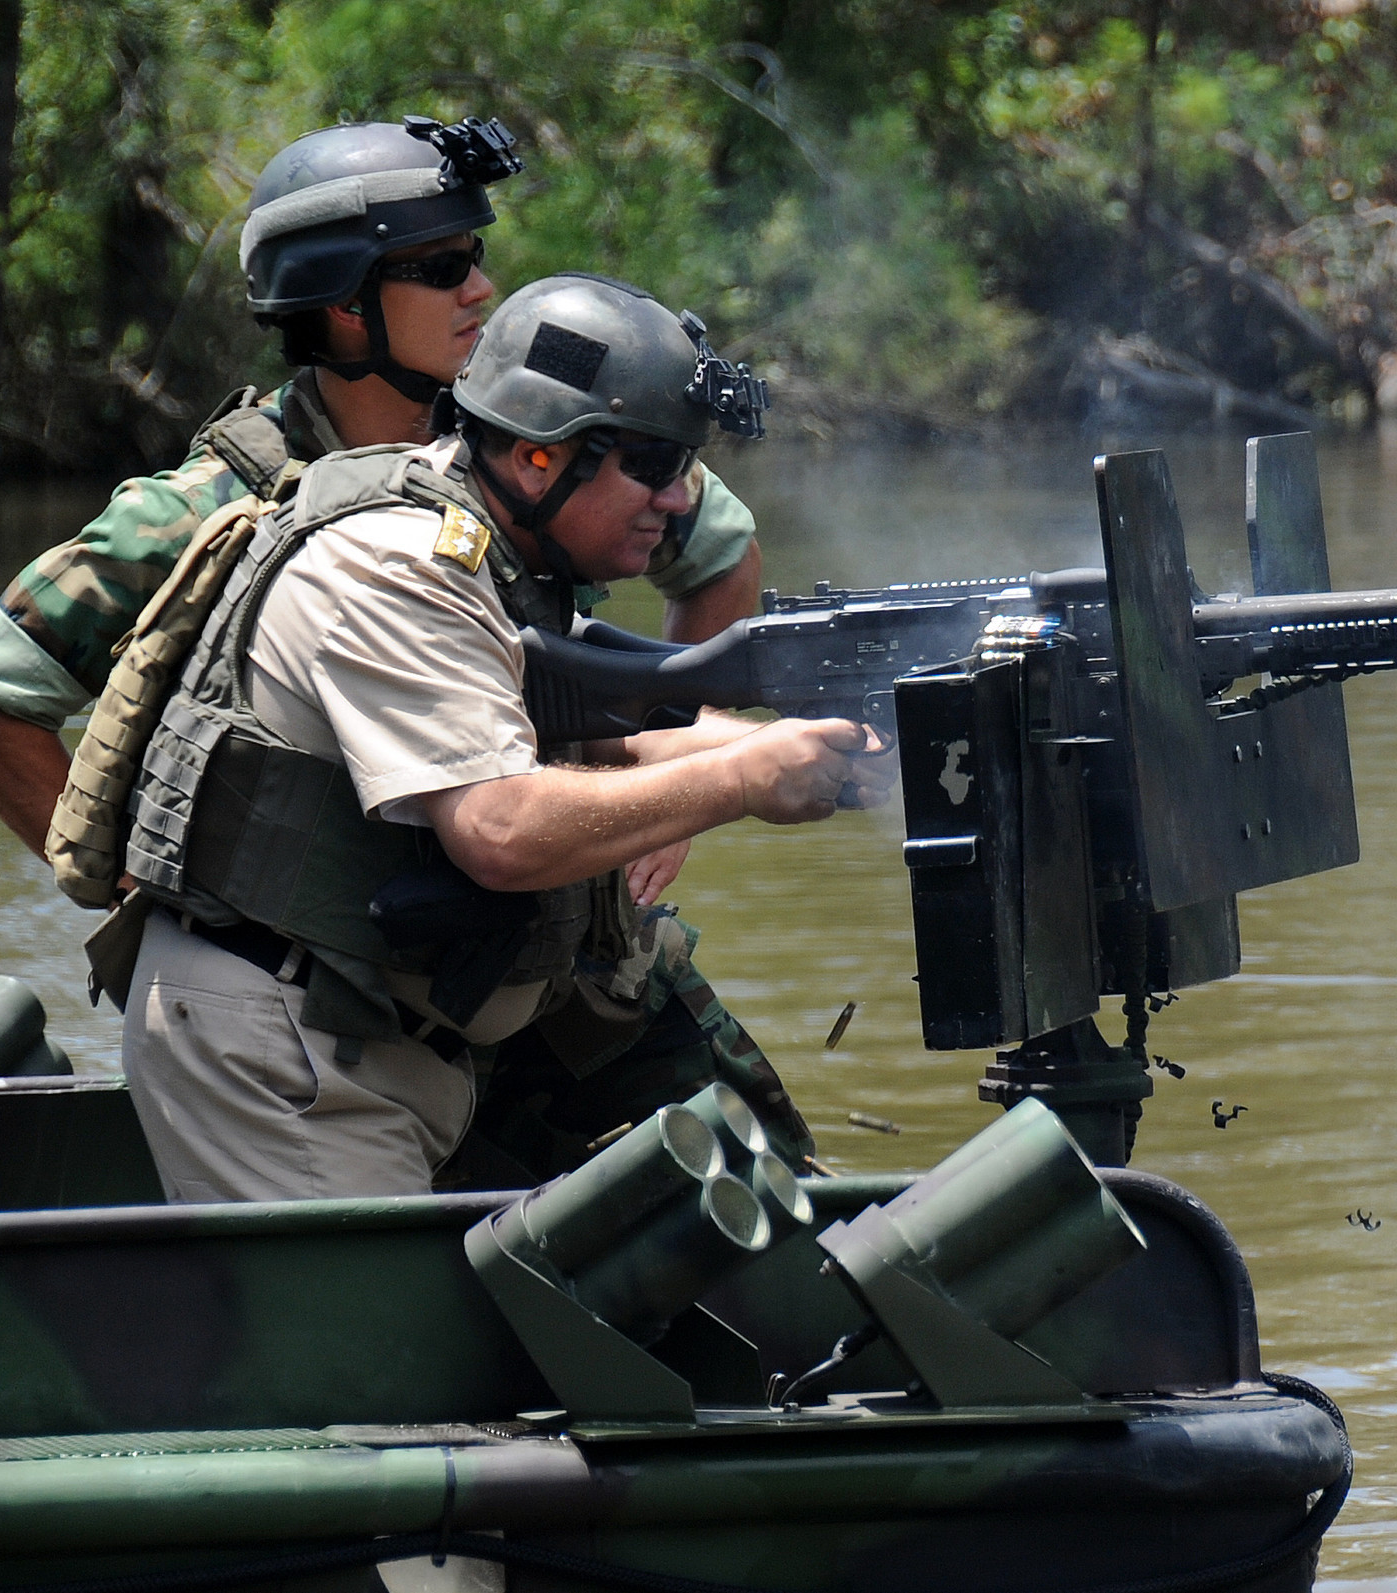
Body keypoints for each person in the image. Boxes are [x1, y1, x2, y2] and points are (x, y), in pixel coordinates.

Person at [114, 272, 888, 1203]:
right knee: (374, 1354)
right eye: (651, 463)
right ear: (534, 458)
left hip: (372, 1040)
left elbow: (599, 748)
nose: (680, 500)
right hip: (286, 1056)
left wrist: (800, 748)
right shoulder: (401, 565)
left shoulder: (502, 550)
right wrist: (745, 781)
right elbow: (502, 827)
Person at [0, 116, 761, 909]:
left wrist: (647, 793)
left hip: (526, 892)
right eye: (440, 269)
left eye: (475, 257)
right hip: (343, 948)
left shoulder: (536, 453)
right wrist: (135, 898)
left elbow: (719, 550)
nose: (482, 290)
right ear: (343, 302)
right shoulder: (213, 507)